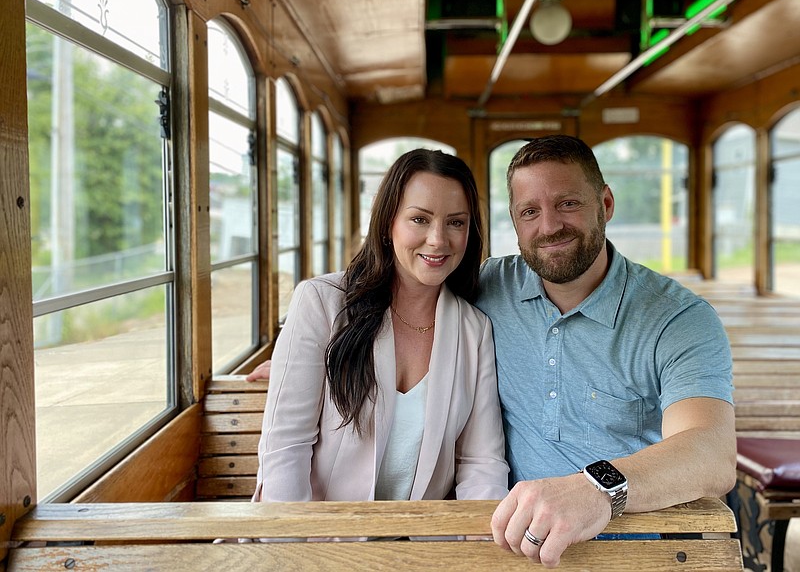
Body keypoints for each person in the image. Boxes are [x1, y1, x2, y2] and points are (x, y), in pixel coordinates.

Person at [480, 135, 736, 567]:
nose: (549, 226)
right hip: (515, 548)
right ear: (515, 221)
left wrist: (598, 487)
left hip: (639, 550)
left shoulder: (678, 318)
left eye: (568, 204)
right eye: (530, 212)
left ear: (607, 204)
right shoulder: (488, 287)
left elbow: (712, 452)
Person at [252, 148, 508, 504]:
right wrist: (298, 549)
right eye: (419, 219)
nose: (438, 239)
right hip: (322, 540)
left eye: (456, 222)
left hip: (419, 545)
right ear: (388, 223)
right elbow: (285, 449)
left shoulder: (474, 329)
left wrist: (474, 547)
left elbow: (481, 462)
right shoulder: (321, 302)